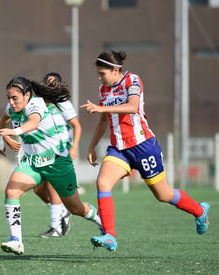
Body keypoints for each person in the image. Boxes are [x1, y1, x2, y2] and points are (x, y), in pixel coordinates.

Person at [81, 50, 210, 252]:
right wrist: (91, 145)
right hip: (119, 149)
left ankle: (200, 211)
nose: (99, 77)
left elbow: (132, 107)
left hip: (143, 147)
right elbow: (104, 120)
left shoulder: (132, 81)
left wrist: (100, 108)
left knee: (163, 195)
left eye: (102, 73)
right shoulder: (103, 90)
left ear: (115, 69)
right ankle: (110, 236)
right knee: (103, 182)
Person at [0, 76, 102, 255]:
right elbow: (3, 119)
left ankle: (102, 222)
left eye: (15, 98)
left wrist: (14, 132)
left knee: (76, 208)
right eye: (9, 98)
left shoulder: (35, 104)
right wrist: (3, 138)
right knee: (11, 191)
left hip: (57, 162)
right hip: (32, 162)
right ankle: (16, 241)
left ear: (27, 95)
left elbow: (33, 123)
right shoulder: (11, 107)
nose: (11, 103)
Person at [33, 72, 82, 238]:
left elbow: (77, 126)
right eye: (47, 82)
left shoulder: (63, 102)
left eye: (54, 83)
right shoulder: (39, 103)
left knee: (52, 187)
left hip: (61, 149)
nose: (50, 85)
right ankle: (62, 212)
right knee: (38, 189)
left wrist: (74, 147)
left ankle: (56, 228)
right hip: (43, 149)